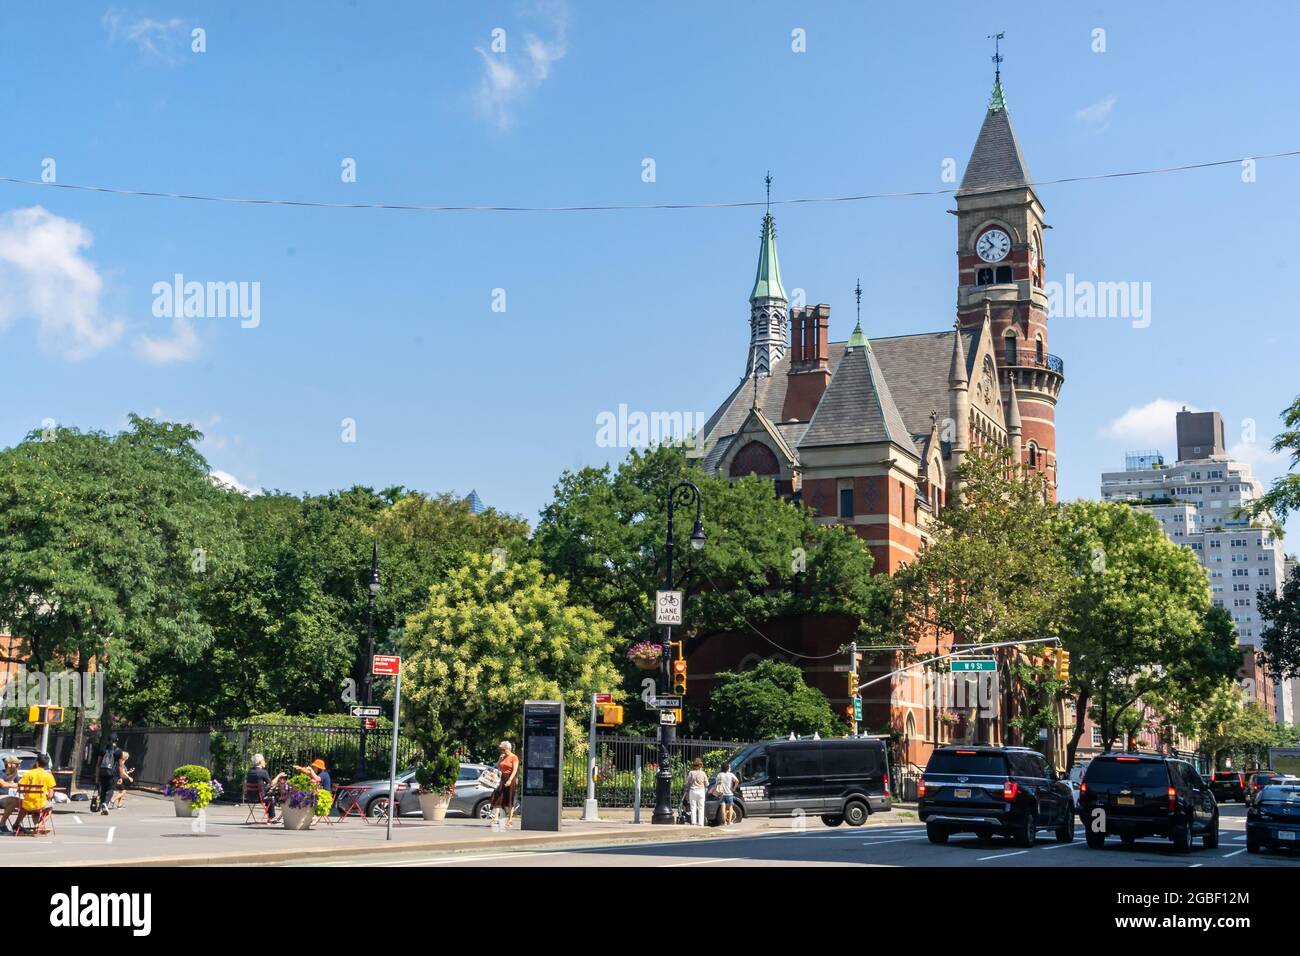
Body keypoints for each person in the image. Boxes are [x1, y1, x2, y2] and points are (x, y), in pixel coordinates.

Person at [14, 754, 56, 834]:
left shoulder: (28, 774)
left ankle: (17, 824)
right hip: (40, 804)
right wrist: (46, 796)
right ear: (46, 765)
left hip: (26, 804)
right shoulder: (48, 775)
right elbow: (50, 794)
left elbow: (20, 788)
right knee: (50, 807)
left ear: (37, 763)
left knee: (26, 807)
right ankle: (39, 825)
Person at [489, 740, 519, 828]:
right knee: (498, 797)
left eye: (503, 749)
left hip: (510, 778)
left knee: (510, 798)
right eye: (501, 750)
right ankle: (496, 818)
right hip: (501, 778)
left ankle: (510, 820)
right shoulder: (502, 756)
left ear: (508, 749)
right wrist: (499, 759)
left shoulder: (514, 757)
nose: (502, 751)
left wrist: (510, 780)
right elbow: (497, 766)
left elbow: (515, 770)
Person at [95, 734, 122, 815]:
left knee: (103, 789)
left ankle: (102, 805)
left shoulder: (103, 749)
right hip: (112, 773)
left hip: (103, 772)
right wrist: (120, 777)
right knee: (110, 789)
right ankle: (105, 804)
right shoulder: (118, 751)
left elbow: (98, 764)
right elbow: (120, 765)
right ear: (116, 741)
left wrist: (97, 776)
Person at [246, 753, 276, 823]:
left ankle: (270, 817)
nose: (265, 762)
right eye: (263, 760)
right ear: (260, 762)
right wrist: (279, 775)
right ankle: (270, 817)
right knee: (271, 797)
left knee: (267, 795)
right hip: (260, 798)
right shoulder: (263, 772)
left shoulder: (249, 772)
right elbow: (271, 783)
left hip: (250, 796)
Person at [713, 761, 739, 827]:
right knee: (730, 807)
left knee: (723, 807)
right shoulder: (730, 774)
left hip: (722, 794)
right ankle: (729, 821)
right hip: (729, 793)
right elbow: (737, 781)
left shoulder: (719, 775)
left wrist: (714, 791)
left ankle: (724, 822)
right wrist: (733, 788)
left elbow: (716, 784)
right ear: (727, 768)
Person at [685, 758, 709, 827]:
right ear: (700, 765)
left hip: (693, 790)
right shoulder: (703, 773)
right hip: (701, 791)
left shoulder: (691, 773)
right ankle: (701, 823)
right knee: (701, 807)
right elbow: (707, 784)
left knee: (693, 807)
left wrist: (686, 789)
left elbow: (687, 783)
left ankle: (693, 822)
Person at [0, 757, 21, 833]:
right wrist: (15, 785)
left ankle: (17, 825)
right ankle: (2, 825)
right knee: (13, 800)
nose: (18, 766)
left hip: (4, 797)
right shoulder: (1, 773)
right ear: (9, 764)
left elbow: (20, 783)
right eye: (16, 764)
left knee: (23, 802)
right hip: (1, 796)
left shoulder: (15, 774)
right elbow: (2, 784)